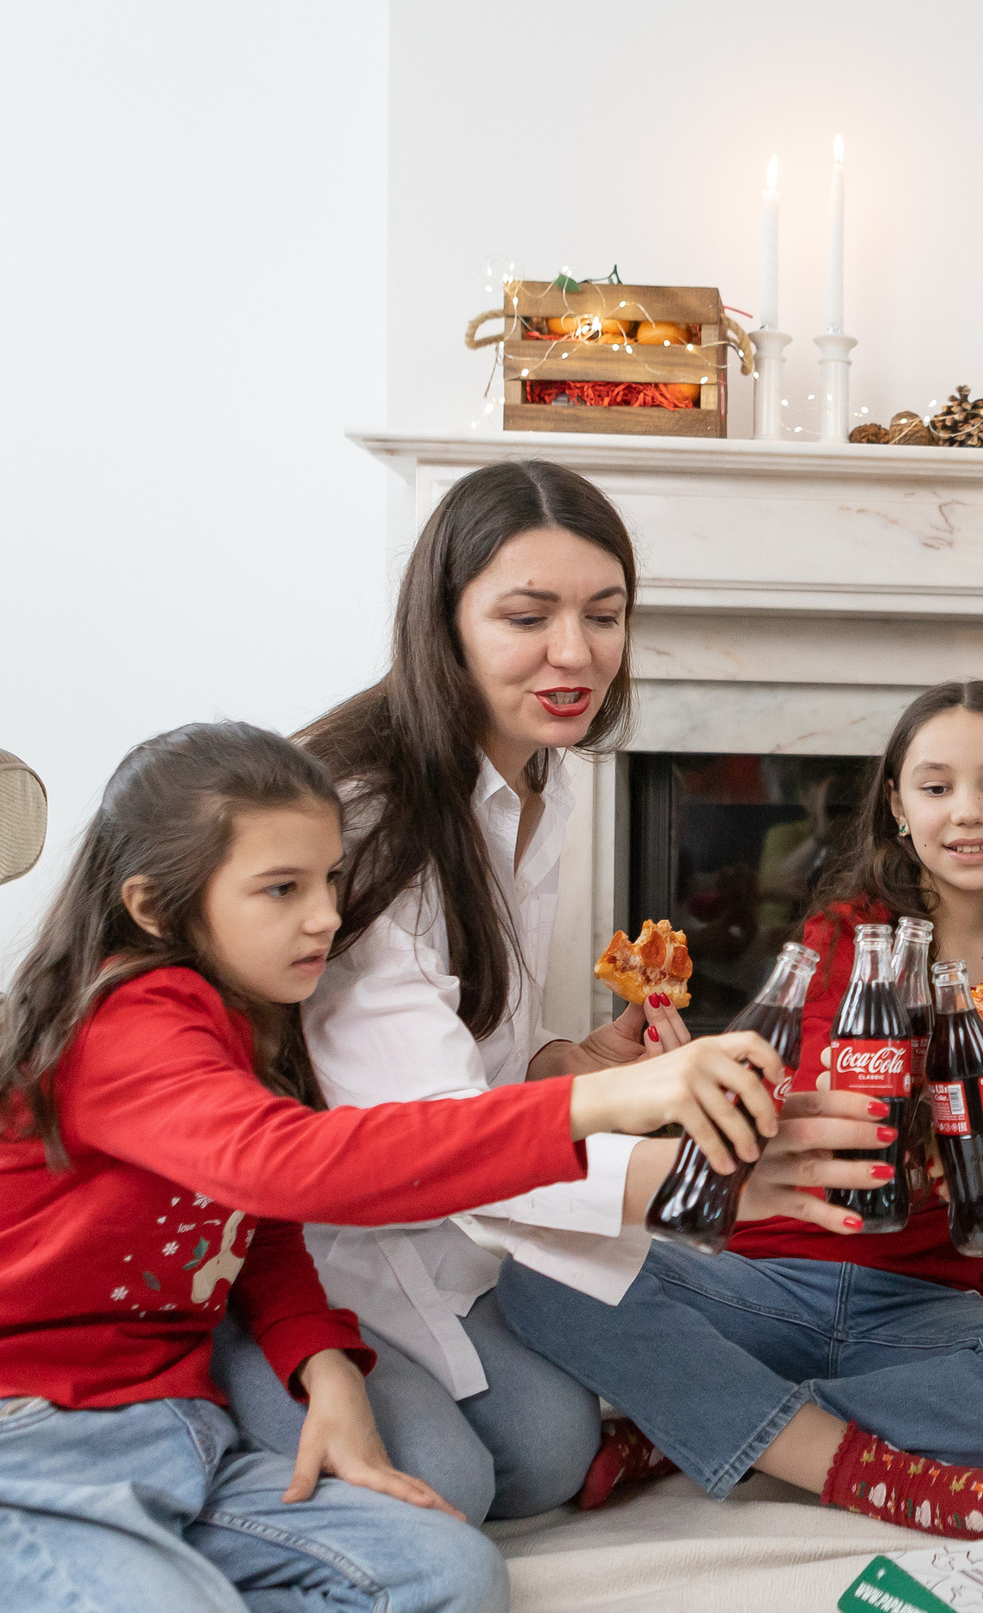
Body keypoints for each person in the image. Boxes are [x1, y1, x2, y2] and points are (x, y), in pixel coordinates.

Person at [0, 722, 800, 1613]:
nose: (326, 918)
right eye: (282, 889)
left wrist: (322, 1364)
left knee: (449, 1590)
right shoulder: (128, 1020)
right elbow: (293, 1169)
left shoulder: (236, 1023)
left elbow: (253, 1227)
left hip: (171, 1446)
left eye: (330, 881)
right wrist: (596, 1103)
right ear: (155, 908)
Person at [214, 459, 883, 1524]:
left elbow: (467, 1053)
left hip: (445, 1224)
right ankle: (205, 1430)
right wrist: (701, 1185)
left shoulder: (540, 776)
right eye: (528, 616)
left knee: (546, 1452)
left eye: (604, 615)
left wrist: (566, 1064)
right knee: (464, 1483)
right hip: (293, 1228)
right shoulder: (364, 814)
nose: (576, 654)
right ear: (446, 622)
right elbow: (431, 1136)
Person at [502, 679, 983, 1536]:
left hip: (921, 1314)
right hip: (764, 1281)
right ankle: (860, 1462)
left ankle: (703, 1426)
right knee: (538, 1268)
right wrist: (704, 1091)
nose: (967, 812)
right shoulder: (843, 937)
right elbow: (802, 1131)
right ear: (899, 806)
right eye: (937, 787)